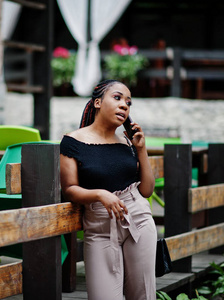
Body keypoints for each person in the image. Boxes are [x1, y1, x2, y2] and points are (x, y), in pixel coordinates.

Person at [60, 79, 157, 300]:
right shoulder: (72, 141)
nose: (124, 105)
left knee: (143, 295)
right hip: (99, 226)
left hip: (138, 220)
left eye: (128, 102)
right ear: (97, 103)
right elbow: (69, 189)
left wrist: (141, 149)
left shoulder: (127, 142)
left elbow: (147, 190)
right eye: (117, 97)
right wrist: (100, 194)